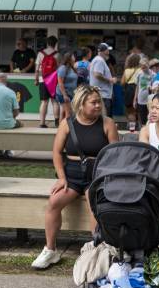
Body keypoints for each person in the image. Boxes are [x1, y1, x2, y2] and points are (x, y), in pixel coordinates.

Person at [31, 86, 119, 270]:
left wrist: (107, 178)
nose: (98, 105)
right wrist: (62, 178)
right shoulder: (67, 123)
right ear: (81, 104)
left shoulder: (107, 123)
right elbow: (56, 152)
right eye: (93, 102)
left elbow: (116, 154)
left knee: (94, 205)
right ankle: (50, 250)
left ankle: (97, 250)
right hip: (71, 174)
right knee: (54, 202)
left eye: (99, 102)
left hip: (97, 174)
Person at [35, 36, 60, 128]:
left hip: (43, 80)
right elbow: (59, 69)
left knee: (44, 102)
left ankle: (42, 123)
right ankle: (57, 122)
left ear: (47, 43)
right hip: (54, 81)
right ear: (55, 44)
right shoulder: (58, 54)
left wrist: (36, 79)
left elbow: (37, 69)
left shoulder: (40, 54)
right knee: (55, 101)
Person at [89, 43, 117, 116]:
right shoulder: (99, 60)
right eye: (107, 50)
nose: (108, 52)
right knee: (104, 117)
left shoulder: (99, 60)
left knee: (104, 116)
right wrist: (110, 80)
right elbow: (97, 74)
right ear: (102, 51)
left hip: (102, 94)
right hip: (102, 94)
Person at [56, 51, 78, 123]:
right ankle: (67, 128)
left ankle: (60, 127)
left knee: (64, 111)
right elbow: (60, 82)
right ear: (69, 58)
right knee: (68, 112)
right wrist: (64, 95)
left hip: (71, 93)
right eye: (73, 56)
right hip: (64, 93)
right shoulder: (63, 68)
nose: (74, 58)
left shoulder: (72, 68)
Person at [123, 53, 143, 129]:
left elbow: (122, 82)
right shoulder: (141, 70)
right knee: (140, 110)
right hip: (139, 90)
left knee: (131, 110)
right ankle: (141, 127)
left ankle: (132, 128)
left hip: (129, 90)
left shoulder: (127, 70)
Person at [134, 57, 154, 126]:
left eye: (145, 67)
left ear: (148, 65)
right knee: (142, 118)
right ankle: (143, 129)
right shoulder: (139, 74)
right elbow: (137, 87)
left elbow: (154, 87)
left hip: (150, 99)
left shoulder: (153, 74)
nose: (143, 69)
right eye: (142, 67)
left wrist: (151, 88)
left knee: (151, 117)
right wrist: (135, 99)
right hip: (141, 98)